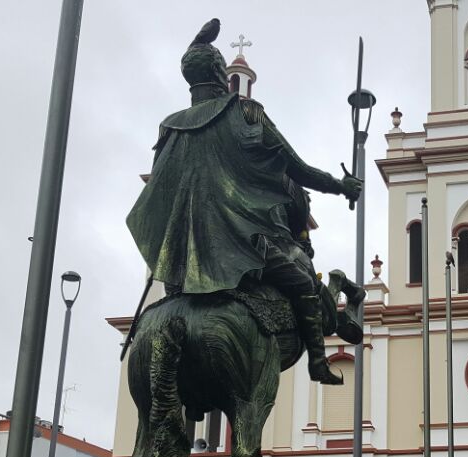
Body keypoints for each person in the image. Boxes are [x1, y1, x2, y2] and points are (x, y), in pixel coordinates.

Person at [126, 18, 362, 386]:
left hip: (187, 258)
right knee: (302, 284)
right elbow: (297, 169)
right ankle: (317, 360)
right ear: (222, 74)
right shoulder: (247, 113)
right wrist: (342, 186)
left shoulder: (169, 127)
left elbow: (159, 188)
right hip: (242, 243)